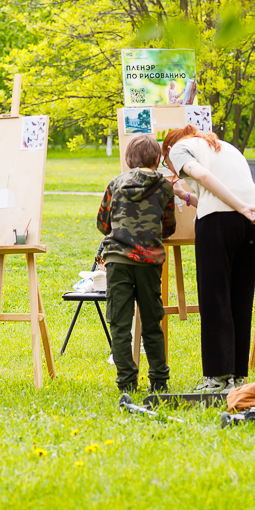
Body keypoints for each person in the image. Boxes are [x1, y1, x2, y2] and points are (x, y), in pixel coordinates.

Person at [162, 127, 255, 394]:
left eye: (167, 163)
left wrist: (240, 207)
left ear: (169, 148)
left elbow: (204, 176)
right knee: (240, 297)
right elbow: (217, 192)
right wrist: (185, 195)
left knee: (214, 297)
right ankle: (236, 373)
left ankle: (217, 376)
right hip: (250, 222)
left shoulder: (179, 149)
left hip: (221, 222)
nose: (170, 167)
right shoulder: (224, 147)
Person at [96, 134, 176, 394]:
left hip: (117, 261)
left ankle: (127, 382)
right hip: (149, 262)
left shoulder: (115, 183)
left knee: (120, 324)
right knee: (152, 323)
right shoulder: (165, 186)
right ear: (157, 158)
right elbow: (170, 227)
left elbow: (103, 224)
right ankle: (159, 381)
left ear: (130, 158)